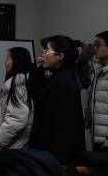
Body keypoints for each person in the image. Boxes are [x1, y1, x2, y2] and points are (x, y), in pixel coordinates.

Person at [28, 35, 85, 165]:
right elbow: (35, 94)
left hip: (54, 155)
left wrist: (54, 162)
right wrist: (38, 69)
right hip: (47, 151)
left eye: (46, 50)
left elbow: (63, 128)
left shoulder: (64, 82)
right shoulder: (56, 77)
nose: (42, 54)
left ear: (59, 56)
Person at [0, 47, 33, 150]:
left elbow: (16, 119)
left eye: (8, 58)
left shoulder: (18, 86)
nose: (5, 62)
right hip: (8, 147)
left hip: (10, 149)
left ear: (17, 62)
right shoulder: (14, 85)